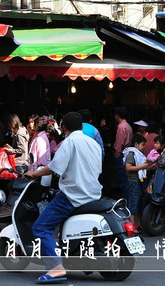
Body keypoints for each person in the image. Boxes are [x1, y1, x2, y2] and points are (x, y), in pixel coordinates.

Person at [25, 111, 102, 284]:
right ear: (82, 126)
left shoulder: (69, 142)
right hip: (94, 194)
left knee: (41, 227)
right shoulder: (93, 143)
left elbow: (54, 167)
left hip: (73, 195)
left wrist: (34, 173)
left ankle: (56, 267)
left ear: (64, 128)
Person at [123, 134, 150, 232]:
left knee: (140, 204)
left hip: (141, 182)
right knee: (133, 204)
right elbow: (128, 167)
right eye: (142, 145)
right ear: (136, 144)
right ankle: (132, 226)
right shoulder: (132, 154)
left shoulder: (138, 154)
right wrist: (143, 166)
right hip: (134, 182)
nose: (143, 148)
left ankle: (138, 225)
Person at [113, 106, 133, 199]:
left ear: (117, 116)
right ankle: (127, 200)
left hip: (122, 155)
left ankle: (124, 201)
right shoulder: (128, 126)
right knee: (126, 179)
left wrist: (117, 155)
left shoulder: (121, 127)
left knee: (123, 180)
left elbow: (119, 143)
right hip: (128, 153)